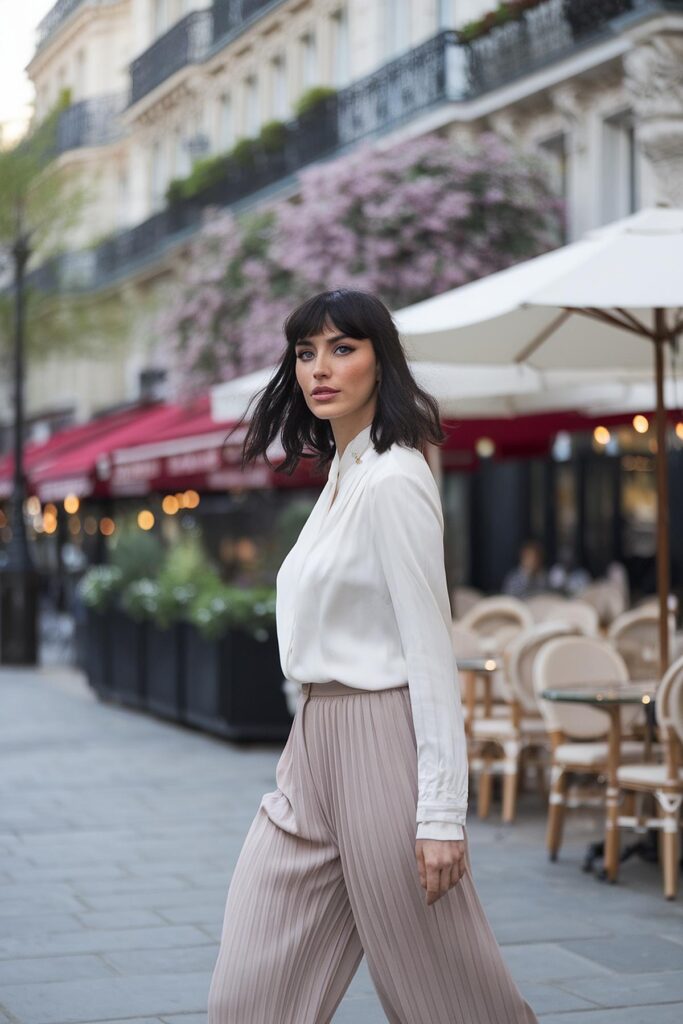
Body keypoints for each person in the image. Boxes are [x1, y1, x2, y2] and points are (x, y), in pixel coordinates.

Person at [207, 289, 538, 1023]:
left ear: (379, 363)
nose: (319, 368)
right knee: (248, 996)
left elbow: (428, 651)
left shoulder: (393, 479)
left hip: (378, 741)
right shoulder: (343, 476)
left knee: (445, 995)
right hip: (312, 750)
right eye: (305, 353)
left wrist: (441, 816)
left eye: (341, 348)